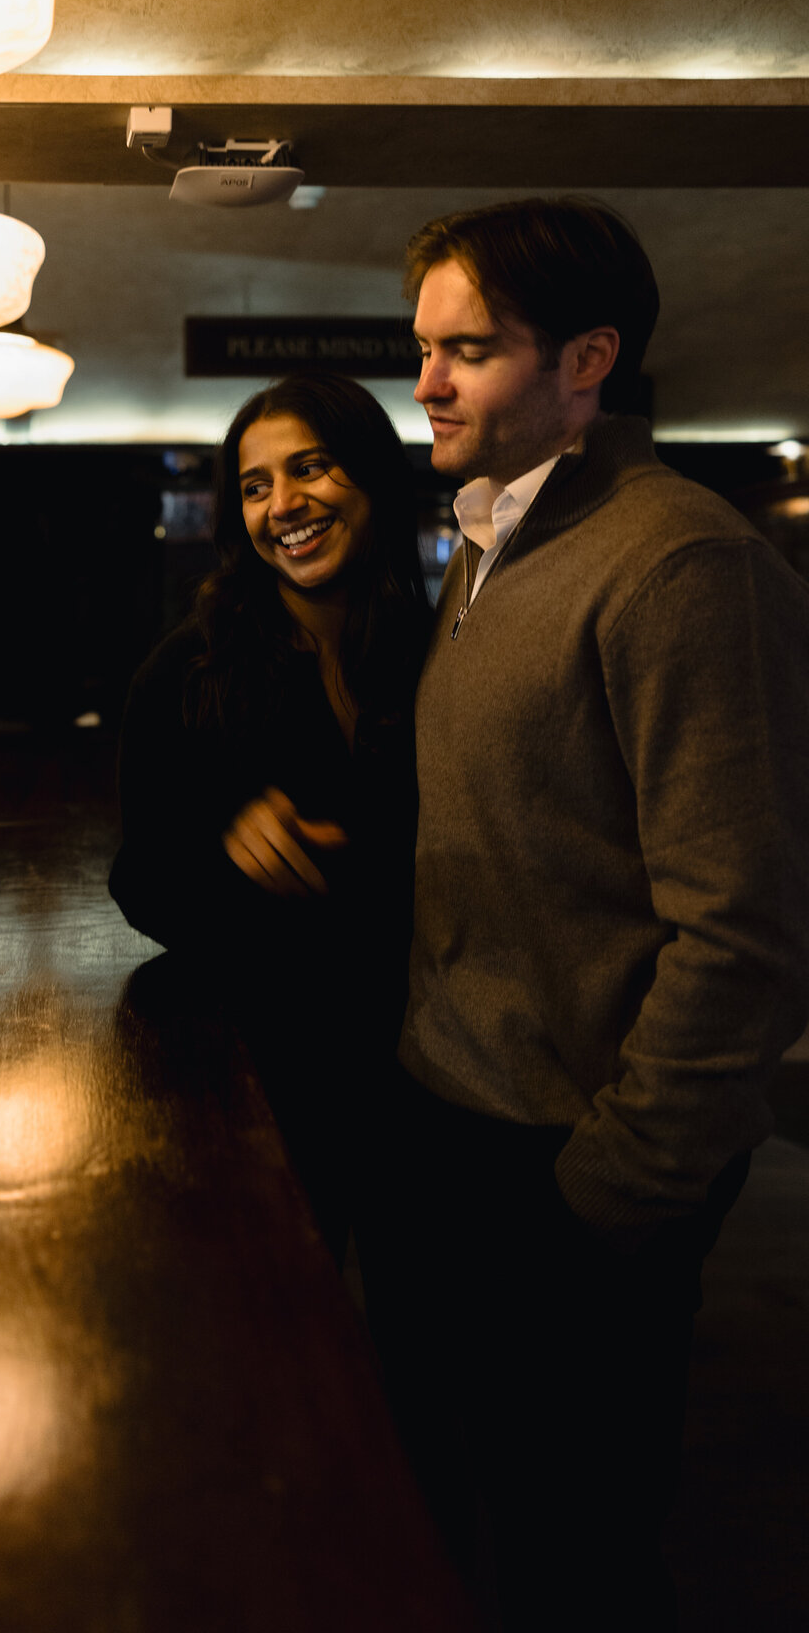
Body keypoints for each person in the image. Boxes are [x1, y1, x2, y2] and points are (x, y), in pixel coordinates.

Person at [377, 195, 809, 1630]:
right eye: (423, 346)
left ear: (587, 361)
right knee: (476, 1517)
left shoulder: (676, 562)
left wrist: (617, 1187)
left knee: (581, 1552)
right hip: (463, 1118)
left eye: (469, 350)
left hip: (579, 1159)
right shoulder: (492, 538)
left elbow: (746, 927)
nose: (425, 382)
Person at [109, 373, 432, 1258]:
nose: (282, 505)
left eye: (311, 470)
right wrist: (227, 858)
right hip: (267, 1078)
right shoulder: (185, 673)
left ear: (372, 478)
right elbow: (140, 882)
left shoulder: (433, 649)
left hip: (431, 1069)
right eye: (255, 486)